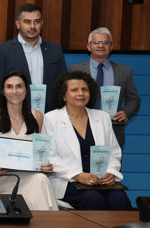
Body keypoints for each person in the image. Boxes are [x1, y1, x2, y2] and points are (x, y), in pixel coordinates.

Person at [43, 71, 128, 210]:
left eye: (84, 89)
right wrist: (77, 175)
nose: (81, 94)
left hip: (100, 181)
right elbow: (50, 156)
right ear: (63, 95)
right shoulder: (51, 119)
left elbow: (113, 151)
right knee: (93, 198)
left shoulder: (102, 117)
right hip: (68, 180)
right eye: (74, 90)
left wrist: (111, 172)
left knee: (119, 198)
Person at [0, 70, 58, 211]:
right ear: (3, 91)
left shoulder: (37, 117)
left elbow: (41, 154)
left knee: (40, 179)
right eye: (9, 87)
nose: (14, 91)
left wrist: (45, 166)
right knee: (39, 182)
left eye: (19, 86)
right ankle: (47, 221)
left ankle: (39, 221)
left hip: (28, 175)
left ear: (26, 90)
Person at [67, 27, 140, 149]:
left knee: (112, 162)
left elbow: (134, 99)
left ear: (111, 47)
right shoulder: (74, 70)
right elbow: (65, 97)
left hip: (112, 129)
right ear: (89, 46)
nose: (101, 45)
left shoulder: (124, 71)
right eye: (96, 42)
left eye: (105, 42)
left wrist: (126, 112)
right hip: (80, 127)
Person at [0, 3, 66, 111]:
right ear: (18, 24)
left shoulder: (55, 50)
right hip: (16, 114)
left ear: (42, 23)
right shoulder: (2, 51)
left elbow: (63, 84)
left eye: (37, 21)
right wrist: (10, 110)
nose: (32, 26)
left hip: (50, 115)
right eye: (27, 21)